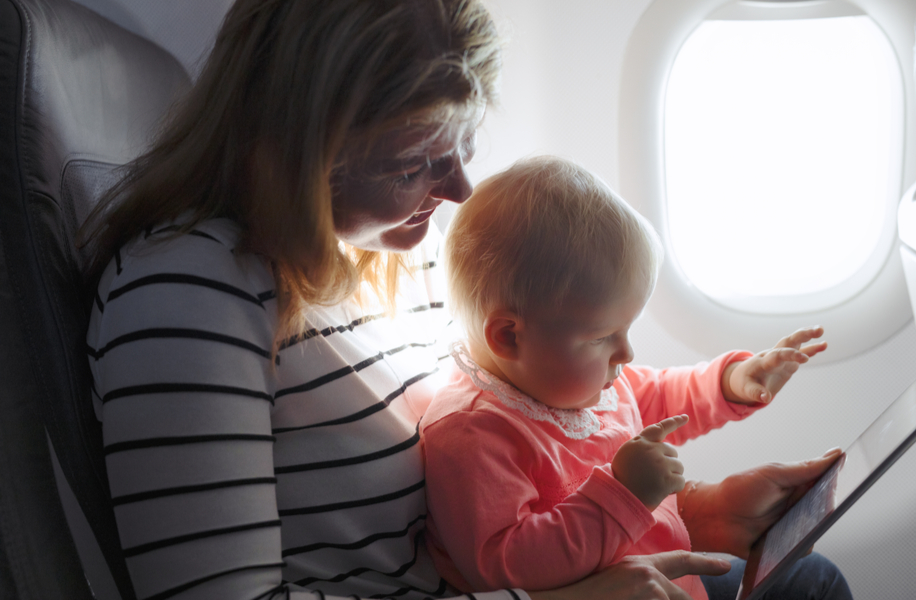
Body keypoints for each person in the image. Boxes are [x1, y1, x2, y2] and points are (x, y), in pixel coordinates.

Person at [79, 1, 847, 599]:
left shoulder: (389, 258)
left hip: (552, 572)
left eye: (463, 147)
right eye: (416, 163)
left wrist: (694, 513)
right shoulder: (187, 297)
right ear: (305, 150)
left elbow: (539, 450)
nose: (458, 190)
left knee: (809, 577)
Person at [421, 156, 852, 600]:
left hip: (670, 581)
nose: (626, 353)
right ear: (509, 337)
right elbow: (504, 563)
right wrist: (624, 494)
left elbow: (662, 395)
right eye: (605, 336)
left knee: (817, 579)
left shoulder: (578, 384)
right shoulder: (472, 434)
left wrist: (731, 381)